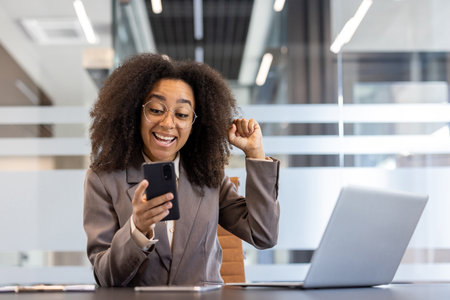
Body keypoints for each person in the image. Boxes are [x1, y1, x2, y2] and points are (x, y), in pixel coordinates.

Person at [83, 53, 280, 287]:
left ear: (195, 122)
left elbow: (263, 235)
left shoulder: (209, 175)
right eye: (156, 110)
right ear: (135, 112)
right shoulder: (103, 179)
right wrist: (137, 229)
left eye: (182, 114)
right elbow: (105, 277)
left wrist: (255, 154)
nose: (168, 123)